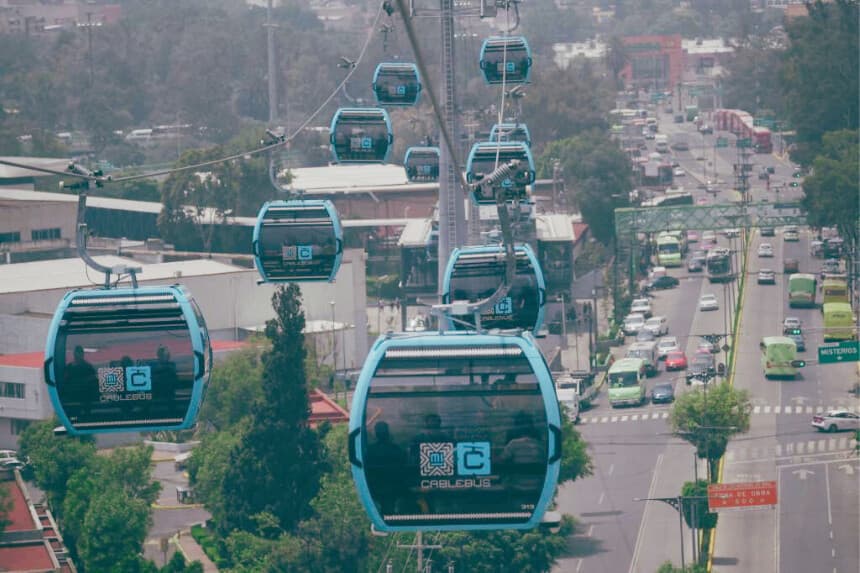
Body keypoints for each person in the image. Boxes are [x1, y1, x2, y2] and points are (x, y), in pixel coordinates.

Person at [365, 421, 406, 515]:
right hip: (392, 486)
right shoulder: (395, 449)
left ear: (376, 434)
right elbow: (402, 465)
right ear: (388, 433)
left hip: (378, 486)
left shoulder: (371, 450)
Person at [62, 346, 98, 419]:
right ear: (74, 354)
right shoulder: (69, 367)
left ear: (82, 354)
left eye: (80, 353)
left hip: (86, 397)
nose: (78, 355)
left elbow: (94, 381)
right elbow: (65, 382)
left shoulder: (88, 367)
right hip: (72, 397)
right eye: (76, 353)